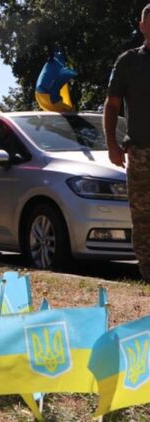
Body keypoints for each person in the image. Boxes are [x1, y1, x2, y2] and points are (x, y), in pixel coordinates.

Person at [104, 3, 150, 281]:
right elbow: (112, 105)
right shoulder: (128, 62)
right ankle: (148, 272)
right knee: (143, 217)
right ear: (142, 26)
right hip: (141, 152)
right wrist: (112, 144)